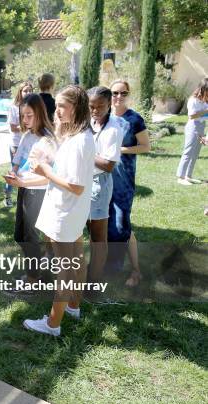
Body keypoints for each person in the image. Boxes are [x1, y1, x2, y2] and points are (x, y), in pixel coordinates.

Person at [23, 85, 95, 336]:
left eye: (62, 106)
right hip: (73, 211)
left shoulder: (79, 142)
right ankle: (74, 306)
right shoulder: (80, 136)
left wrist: (45, 171)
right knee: (76, 260)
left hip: (67, 210)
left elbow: (75, 186)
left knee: (65, 266)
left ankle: (53, 323)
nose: (57, 110)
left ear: (77, 108)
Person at [4, 93, 56, 286]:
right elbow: (17, 162)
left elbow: (48, 176)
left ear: (40, 114)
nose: (24, 120)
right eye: (22, 116)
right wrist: (13, 173)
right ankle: (38, 266)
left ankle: (33, 277)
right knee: (21, 235)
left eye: (29, 116)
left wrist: (23, 183)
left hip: (38, 191)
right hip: (23, 189)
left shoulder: (48, 140)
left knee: (30, 235)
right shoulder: (27, 136)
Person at [108, 79, 150, 287]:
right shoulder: (103, 117)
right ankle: (109, 265)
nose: (118, 97)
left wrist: (121, 151)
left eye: (123, 93)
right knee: (104, 226)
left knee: (122, 225)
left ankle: (136, 271)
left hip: (123, 182)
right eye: (114, 93)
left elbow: (145, 146)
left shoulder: (135, 119)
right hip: (102, 181)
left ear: (128, 95)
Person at [86, 86, 123, 289]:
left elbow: (108, 165)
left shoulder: (113, 129)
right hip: (83, 181)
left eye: (100, 106)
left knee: (98, 236)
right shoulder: (90, 122)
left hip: (99, 184)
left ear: (109, 105)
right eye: (91, 106)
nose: (95, 110)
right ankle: (88, 275)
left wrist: (85, 152)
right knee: (85, 231)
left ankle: (94, 281)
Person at [6, 81, 34, 207]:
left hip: (29, 143)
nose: (28, 93)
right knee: (14, 171)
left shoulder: (32, 106)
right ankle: (7, 196)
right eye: (25, 90)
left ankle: (23, 196)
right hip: (16, 144)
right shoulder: (13, 107)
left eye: (30, 90)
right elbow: (12, 128)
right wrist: (26, 127)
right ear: (20, 92)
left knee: (27, 170)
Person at [176, 78, 208, 186]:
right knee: (188, 151)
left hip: (201, 126)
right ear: (203, 89)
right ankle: (180, 177)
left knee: (195, 153)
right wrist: (206, 111)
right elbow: (192, 115)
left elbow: (204, 115)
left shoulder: (204, 100)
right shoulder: (193, 100)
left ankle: (188, 176)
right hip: (193, 126)